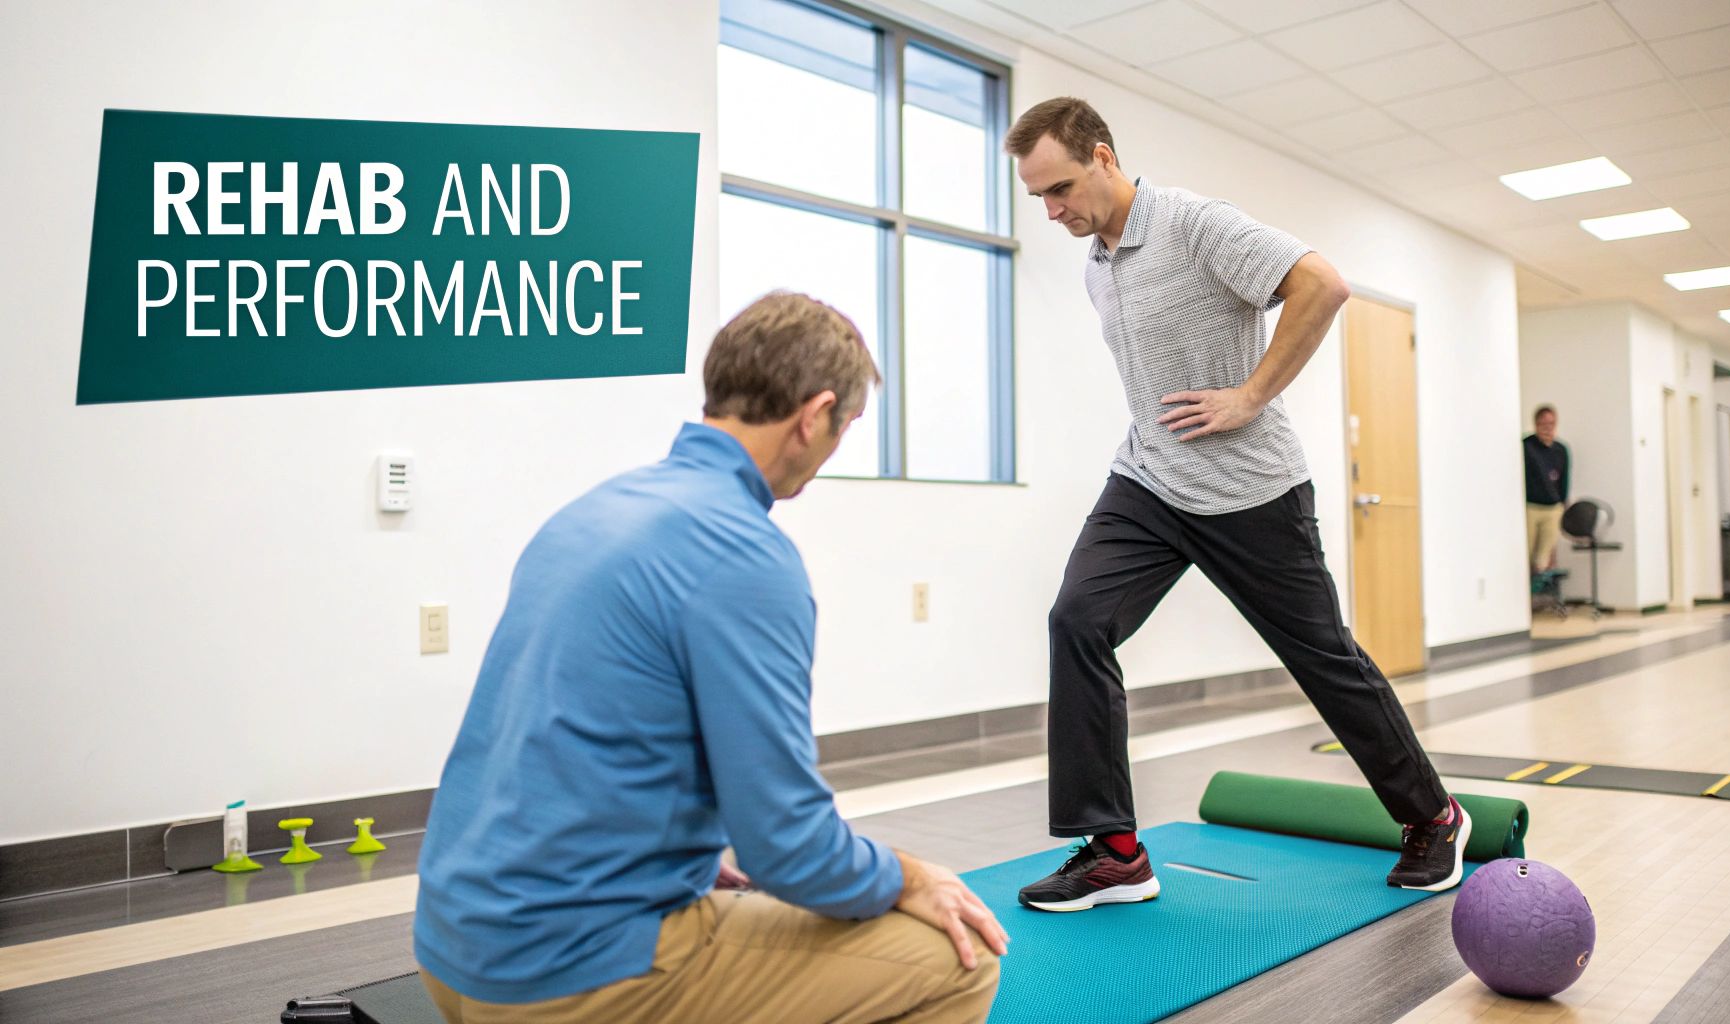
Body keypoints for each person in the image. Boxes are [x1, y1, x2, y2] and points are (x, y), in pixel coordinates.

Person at [413, 292, 1007, 1024]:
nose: (828, 455)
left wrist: (684, 858)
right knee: (954, 963)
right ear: (814, 415)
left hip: (452, 946)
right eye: (843, 430)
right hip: (570, 974)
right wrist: (913, 878)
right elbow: (788, 848)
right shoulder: (744, 556)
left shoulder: (592, 511)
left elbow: (563, 739)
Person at [1000, 97, 1467, 912]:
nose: (1052, 210)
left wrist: (1250, 395)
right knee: (1077, 621)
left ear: (1104, 157)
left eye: (1062, 188)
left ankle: (1434, 815)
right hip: (1148, 481)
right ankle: (1114, 852)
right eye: (1039, 196)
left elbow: (1322, 284)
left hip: (1250, 488)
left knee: (1324, 659)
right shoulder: (1097, 264)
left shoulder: (1193, 224)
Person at [1523, 406, 1571, 576]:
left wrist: (1563, 503)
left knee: (1543, 555)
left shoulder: (1561, 450)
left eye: (1551, 424)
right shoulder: (1526, 447)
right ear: (1536, 424)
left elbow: (1564, 479)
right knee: (1525, 550)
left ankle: (1539, 584)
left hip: (1552, 508)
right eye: (1543, 423)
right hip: (1531, 506)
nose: (1547, 428)